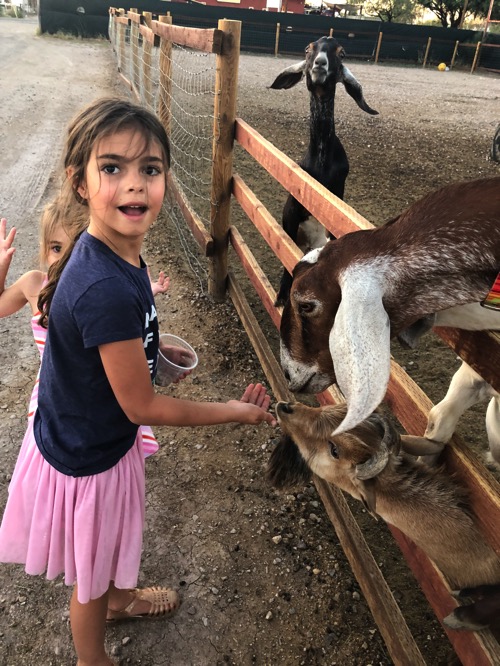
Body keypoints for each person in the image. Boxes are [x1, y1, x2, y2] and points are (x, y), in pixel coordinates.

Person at [0, 97, 275, 666]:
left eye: (149, 169)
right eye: (112, 168)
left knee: (111, 542)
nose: (134, 185)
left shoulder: (118, 251)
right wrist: (234, 410)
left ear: (165, 179)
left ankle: (121, 597)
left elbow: (114, 343)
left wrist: (154, 343)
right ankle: (92, 655)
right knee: (91, 577)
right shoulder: (101, 283)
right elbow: (141, 405)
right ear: (80, 183)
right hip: (91, 454)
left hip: (93, 433)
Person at [0, 190, 170, 457]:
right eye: (57, 248)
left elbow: (128, 335)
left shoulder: (102, 293)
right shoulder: (34, 284)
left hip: (101, 393)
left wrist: (159, 349)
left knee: (107, 448)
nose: (67, 258)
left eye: (77, 246)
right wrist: (2, 266)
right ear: (45, 249)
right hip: (57, 395)